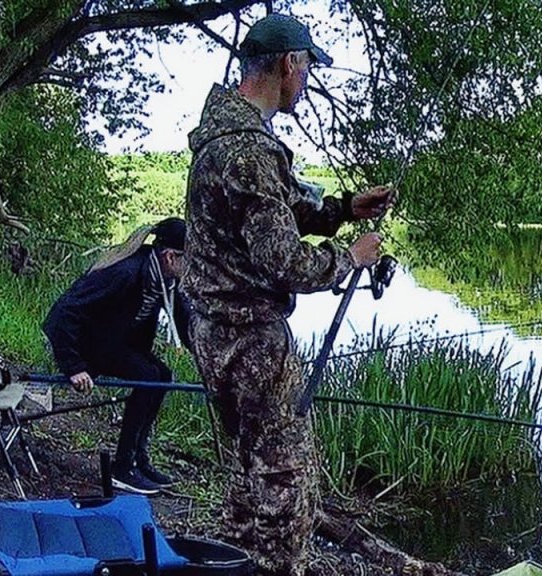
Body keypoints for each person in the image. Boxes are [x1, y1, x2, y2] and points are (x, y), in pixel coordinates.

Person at [182, 13, 394, 576]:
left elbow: (270, 218)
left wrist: (344, 209)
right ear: (287, 64)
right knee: (286, 484)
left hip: (214, 330)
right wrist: (351, 258)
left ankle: (233, 564)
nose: (307, 80)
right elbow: (283, 261)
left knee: (249, 471)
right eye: (306, 67)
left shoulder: (225, 137)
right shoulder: (249, 151)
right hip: (249, 340)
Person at [43, 217, 190, 495]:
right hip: (89, 347)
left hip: (116, 344)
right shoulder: (125, 272)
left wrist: (213, 364)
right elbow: (62, 313)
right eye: (190, 260)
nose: (194, 269)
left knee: (163, 376)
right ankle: (122, 467)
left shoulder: (166, 280)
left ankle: (138, 458)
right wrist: (74, 366)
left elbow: (187, 327)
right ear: (170, 256)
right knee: (147, 376)